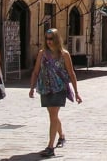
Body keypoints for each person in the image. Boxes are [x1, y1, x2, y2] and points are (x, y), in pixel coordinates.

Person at [29, 28, 82, 157]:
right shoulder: (42, 53)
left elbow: (71, 73)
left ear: (57, 39)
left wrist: (76, 92)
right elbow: (36, 71)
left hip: (59, 88)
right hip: (45, 88)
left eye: (51, 38)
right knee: (52, 115)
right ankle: (61, 135)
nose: (49, 41)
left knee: (53, 115)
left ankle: (50, 147)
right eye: (47, 38)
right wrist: (31, 87)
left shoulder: (64, 54)